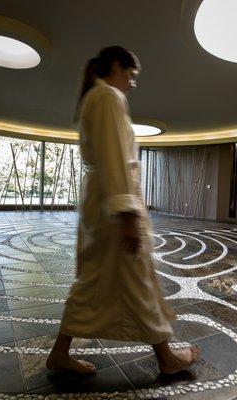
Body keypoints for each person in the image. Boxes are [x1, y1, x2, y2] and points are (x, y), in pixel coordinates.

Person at [46, 46, 200, 375]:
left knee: (97, 279)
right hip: (114, 211)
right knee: (136, 279)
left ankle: (60, 354)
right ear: (116, 66)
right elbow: (116, 157)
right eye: (131, 76)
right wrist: (128, 214)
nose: (133, 84)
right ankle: (166, 358)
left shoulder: (97, 98)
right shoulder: (108, 98)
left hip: (104, 205)